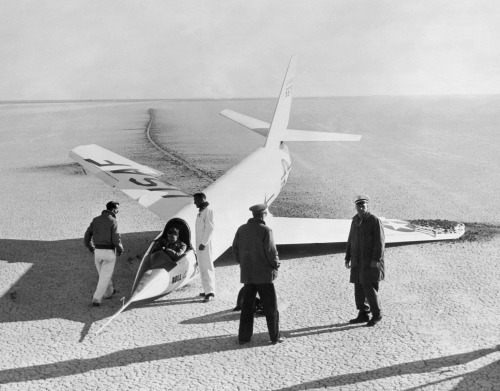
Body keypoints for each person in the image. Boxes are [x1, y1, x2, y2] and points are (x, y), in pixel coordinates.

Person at [232, 203, 284, 345]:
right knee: (271, 308)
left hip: (248, 275)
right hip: (264, 276)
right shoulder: (266, 230)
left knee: (247, 308)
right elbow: (271, 252)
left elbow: (235, 247)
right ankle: (275, 336)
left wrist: (242, 262)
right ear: (262, 215)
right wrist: (276, 265)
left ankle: (244, 337)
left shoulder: (241, 229)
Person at [344, 194, 385, 326]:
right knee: (358, 287)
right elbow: (351, 239)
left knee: (369, 288)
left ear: (367, 206)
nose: (361, 208)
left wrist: (376, 260)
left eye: (363, 205)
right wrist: (348, 256)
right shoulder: (355, 221)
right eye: (359, 205)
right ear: (355, 207)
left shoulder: (374, 221)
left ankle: (377, 314)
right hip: (357, 261)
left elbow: (380, 243)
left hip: (370, 262)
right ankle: (363, 313)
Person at [84, 201, 124, 307]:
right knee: (104, 277)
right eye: (117, 209)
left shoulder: (95, 220)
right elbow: (116, 238)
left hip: (97, 252)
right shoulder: (113, 221)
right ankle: (96, 299)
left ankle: (109, 292)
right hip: (108, 253)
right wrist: (120, 249)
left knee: (103, 275)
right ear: (113, 209)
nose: (118, 211)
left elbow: (87, 236)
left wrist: (90, 247)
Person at [194, 192, 215, 303]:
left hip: (204, 245)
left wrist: (204, 243)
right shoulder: (201, 211)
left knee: (207, 266)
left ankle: (210, 292)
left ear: (202, 199)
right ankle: (206, 290)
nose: (194, 203)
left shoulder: (208, 210)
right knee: (202, 267)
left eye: (196, 200)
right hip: (200, 244)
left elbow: (210, 228)